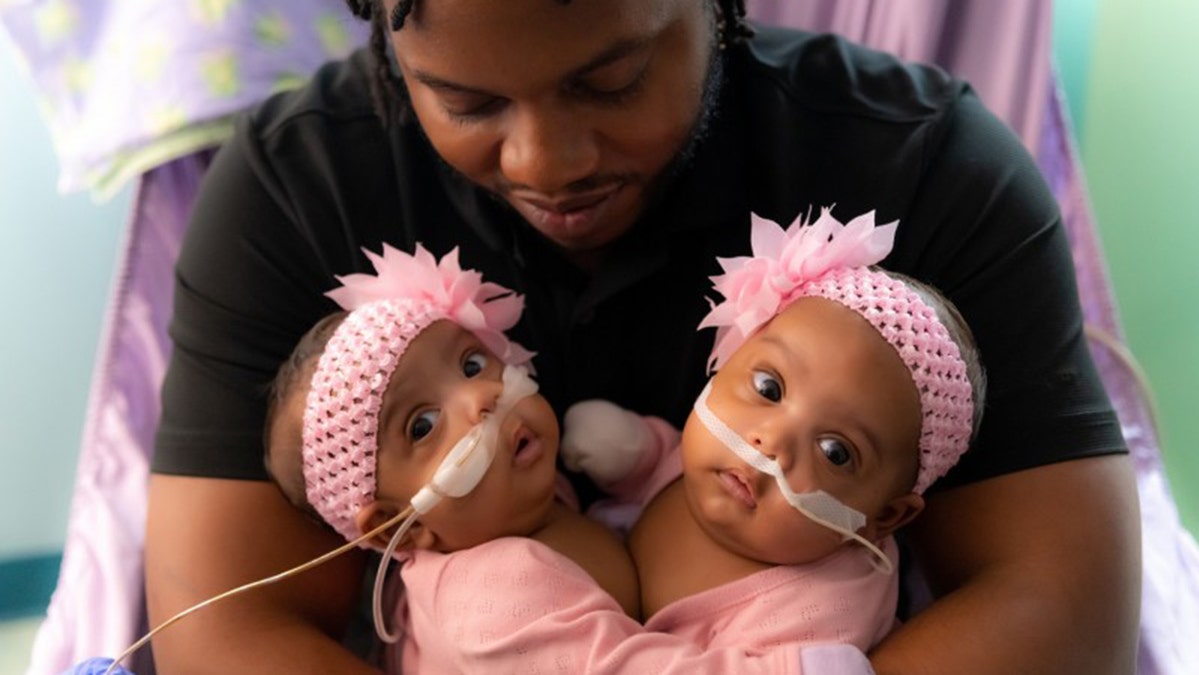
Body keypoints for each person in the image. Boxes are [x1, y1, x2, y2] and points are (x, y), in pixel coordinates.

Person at [144, 1, 1140, 673]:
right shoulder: (289, 196)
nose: (548, 161)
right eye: (467, 102)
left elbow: (1063, 602)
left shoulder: (924, 164)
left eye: (612, 81)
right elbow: (227, 623)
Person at [261, 242, 864, 673]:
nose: (483, 396)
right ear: (402, 525)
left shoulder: (523, 504)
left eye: (472, 363)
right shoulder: (492, 601)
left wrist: (641, 459)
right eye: (422, 424)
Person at [560, 209, 984, 654]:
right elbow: (663, 464)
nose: (770, 441)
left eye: (835, 452)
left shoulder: (815, 617)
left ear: (884, 518)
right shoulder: (711, 462)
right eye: (769, 387)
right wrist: (633, 455)